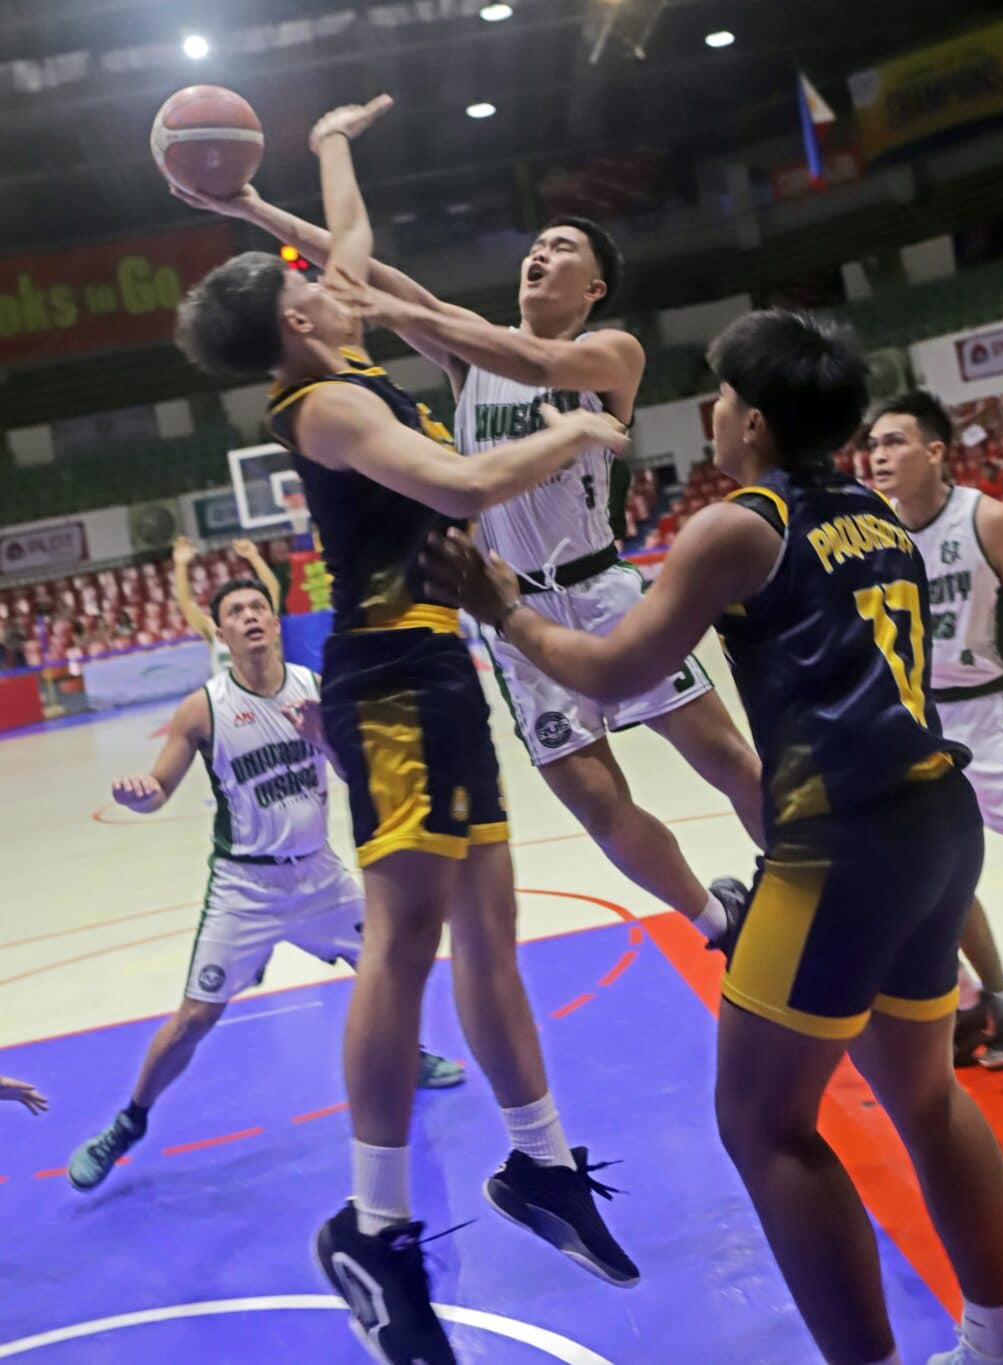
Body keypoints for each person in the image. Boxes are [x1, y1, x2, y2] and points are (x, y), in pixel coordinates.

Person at [424, 309, 1003, 1365]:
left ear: (748, 421)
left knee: (761, 1124)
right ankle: (997, 1341)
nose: (709, 412)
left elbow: (614, 670)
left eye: (718, 398)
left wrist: (504, 610)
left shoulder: (740, 524)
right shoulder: (875, 515)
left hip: (839, 849)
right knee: (926, 1100)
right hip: (935, 831)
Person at [174, 96, 641, 1365]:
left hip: (444, 669)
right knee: (403, 942)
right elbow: (462, 482)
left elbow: (349, 237)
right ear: (292, 327)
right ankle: (373, 1228)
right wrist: (579, 428)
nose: (327, 283)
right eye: (307, 287)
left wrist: (326, 146)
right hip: (383, 681)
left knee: (492, 929)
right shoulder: (320, 410)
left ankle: (539, 1166)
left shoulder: (348, 362)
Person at [169, 134, 763, 951]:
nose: (540, 253)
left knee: (724, 756)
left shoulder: (609, 351)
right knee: (598, 803)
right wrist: (249, 207)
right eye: (536, 242)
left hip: (603, 592)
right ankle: (716, 920)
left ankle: (811, 879)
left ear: (592, 285)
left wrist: (402, 309)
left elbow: (521, 352)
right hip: (515, 615)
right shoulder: (465, 353)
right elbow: (366, 273)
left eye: (562, 248)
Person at [67, 575, 464, 1195]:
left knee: (393, 960)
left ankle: (409, 1056)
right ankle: (128, 1122)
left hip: (319, 874)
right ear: (221, 633)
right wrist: (140, 797)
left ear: (275, 622)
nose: (251, 616)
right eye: (236, 611)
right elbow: (159, 789)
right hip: (245, 887)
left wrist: (324, 737)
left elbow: (356, 773)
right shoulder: (203, 709)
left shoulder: (314, 690)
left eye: (259, 607)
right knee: (196, 1016)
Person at [868, 391, 1003, 1071]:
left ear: (935, 451)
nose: (878, 456)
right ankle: (995, 1000)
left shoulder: (986, 517)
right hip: (922, 721)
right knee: (936, 874)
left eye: (895, 442)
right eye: (871, 445)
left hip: (997, 711)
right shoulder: (876, 534)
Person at [173, 534, 281, 673]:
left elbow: (273, 590)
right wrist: (180, 565)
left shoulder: (260, 621)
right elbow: (186, 604)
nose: (243, 610)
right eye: (235, 607)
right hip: (229, 694)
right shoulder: (214, 628)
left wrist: (254, 557)